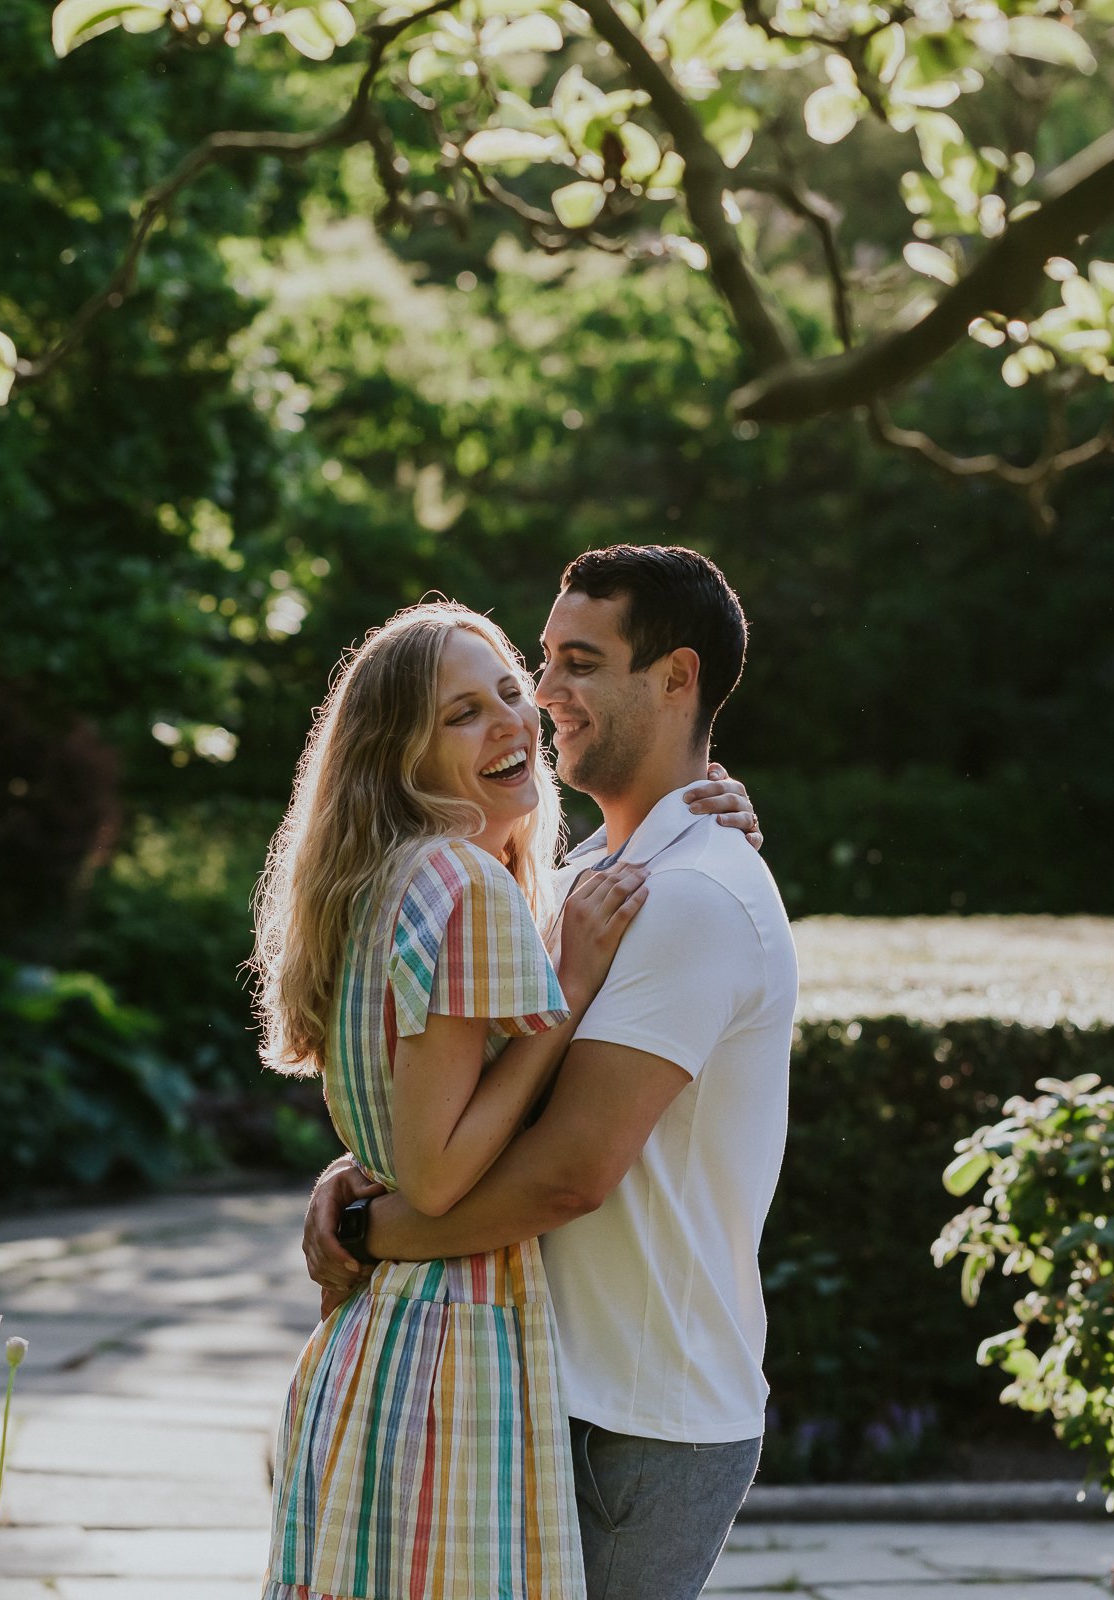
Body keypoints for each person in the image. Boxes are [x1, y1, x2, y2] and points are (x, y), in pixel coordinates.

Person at [303, 546, 797, 1600]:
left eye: (577, 664)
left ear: (676, 679)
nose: (546, 698)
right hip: (533, 1375)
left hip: (634, 1406)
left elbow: (568, 1172)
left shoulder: (694, 893)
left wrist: (375, 1232)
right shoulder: (579, 883)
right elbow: (476, 1101)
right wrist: (356, 1169)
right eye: (544, 662)